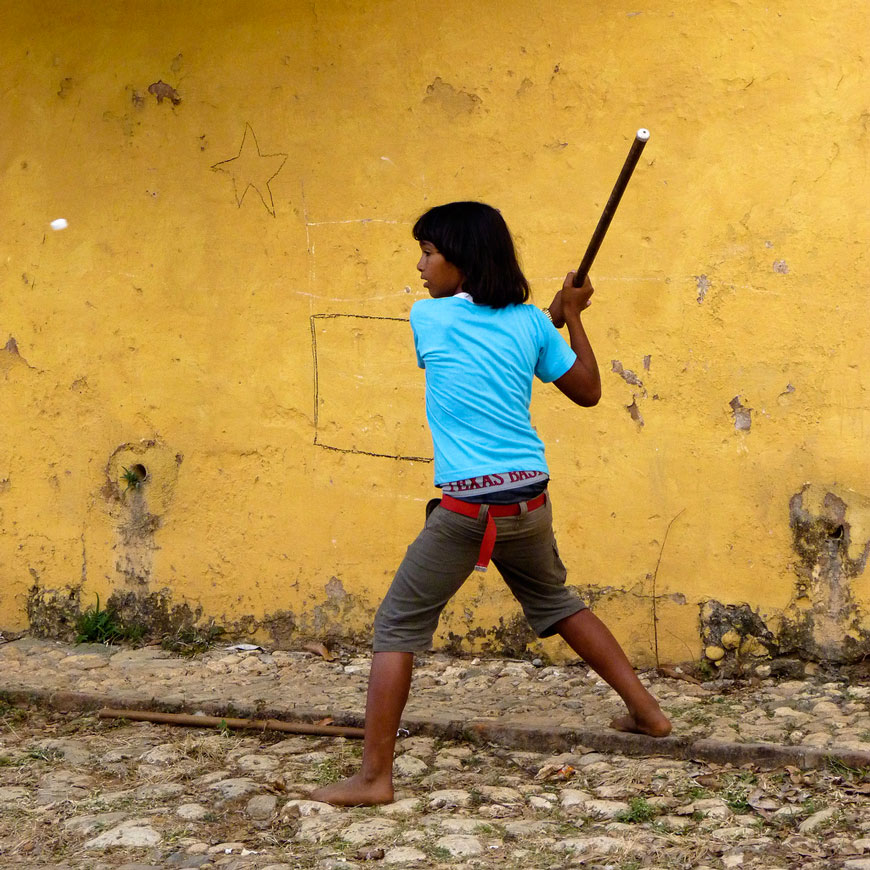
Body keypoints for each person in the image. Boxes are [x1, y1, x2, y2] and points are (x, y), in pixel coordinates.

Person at [312, 201, 671, 807]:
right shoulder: (530, 325)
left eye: (429, 253)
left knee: (396, 627)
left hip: (467, 512)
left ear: (463, 261)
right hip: (529, 504)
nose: (421, 266)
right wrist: (567, 317)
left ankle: (374, 779)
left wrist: (554, 315)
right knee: (557, 603)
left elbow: (482, 338)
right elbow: (587, 389)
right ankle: (649, 715)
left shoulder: (429, 319)